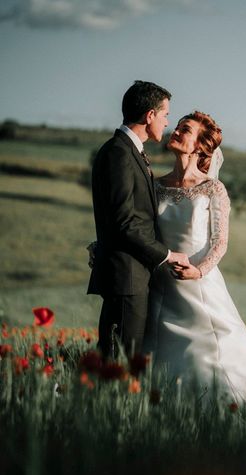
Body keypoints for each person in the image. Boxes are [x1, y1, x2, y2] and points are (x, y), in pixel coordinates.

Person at [146, 111, 246, 413]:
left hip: (199, 283)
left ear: (200, 146)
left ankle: (225, 410)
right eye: (177, 127)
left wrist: (199, 271)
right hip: (161, 284)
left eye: (186, 130)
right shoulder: (155, 185)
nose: (176, 132)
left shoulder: (212, 188)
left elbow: (220, 242)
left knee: (211, 352)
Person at [87, 80, 190, 359]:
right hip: (126, 277)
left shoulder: (126, 151)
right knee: (118, 360)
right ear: (150, 115)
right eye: (166, 114)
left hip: (132, 275)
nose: (168, 122)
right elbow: (124, 222)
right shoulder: (119, 153)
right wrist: (167, 255)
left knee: (119, 358)